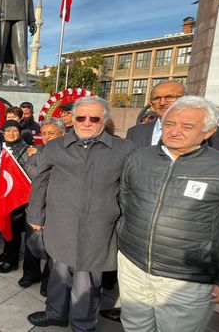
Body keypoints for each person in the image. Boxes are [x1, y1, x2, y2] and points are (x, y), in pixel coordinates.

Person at [117, 96, 219, 331]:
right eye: (170, 124)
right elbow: (126, 202)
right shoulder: (139, 158)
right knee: (134, 325)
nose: (175, 131)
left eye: (187, 126)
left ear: (208, 131)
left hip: (186, 278)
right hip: (133, 265)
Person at [26, 96, 134, 331]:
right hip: (59, 224)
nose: (86, 123)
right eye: (80, 117)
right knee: (58, 272)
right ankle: (55, 313)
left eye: (93, 118)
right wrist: (35, 217)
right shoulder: (55, 146)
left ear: (104, 120)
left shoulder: (123, 149)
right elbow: (41, 183)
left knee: (86, 281)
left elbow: (128, 191)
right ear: (72, 119)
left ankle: (83, 325)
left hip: (97, 229)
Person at [21, 118, 67, 296]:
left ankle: (48, 281)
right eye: (44, 133)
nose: (47, 137)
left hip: (57, 208)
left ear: (63, 134)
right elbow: (28, 167)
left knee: (53, 250)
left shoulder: (69, 154)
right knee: (32, 244)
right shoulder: (37, 150)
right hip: (35, 206)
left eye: (52, 133)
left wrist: (43, 172)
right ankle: (30, 274)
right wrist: (47, 172)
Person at [126, 80, 219, 153]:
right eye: (157, 98)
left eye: (169, 97)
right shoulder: (135, 132)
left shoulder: (213, 133)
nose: (162, 102)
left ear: (185, 99)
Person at [0, 119, 30, 273]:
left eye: (14, 130)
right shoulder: (3, 147)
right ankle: (7, 252)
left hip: (16, 197)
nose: (11, 133)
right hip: (3, 192)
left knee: (14, 228)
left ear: (20, 132)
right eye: (8, 131)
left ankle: (12, 261)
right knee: (6, 224)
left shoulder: (27, 150)